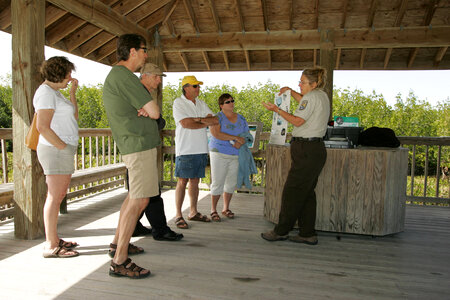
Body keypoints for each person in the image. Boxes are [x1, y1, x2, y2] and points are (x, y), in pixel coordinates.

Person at [103, 34, 160, 279]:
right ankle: (120, 261)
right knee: (139, 200)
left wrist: (145, 110)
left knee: (134, 198)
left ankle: (118, 244)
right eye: (144, 50)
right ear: (133, 51)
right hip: (137, 145)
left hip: (137, 144)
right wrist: (147, 111)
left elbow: (147, 111)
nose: (146, 55)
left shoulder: (119, 77)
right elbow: (155, 112)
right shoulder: (123, 76)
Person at [261, 68, 330, 245]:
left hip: (306, 149)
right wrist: (291, 92)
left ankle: (281, 231)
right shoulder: (320, 95)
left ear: (313, 84)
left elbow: (298, 121)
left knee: (292, 192)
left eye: (302, 82)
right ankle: (307, 233)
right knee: (306, 193)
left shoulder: (311, 97)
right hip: (315, 149)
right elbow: (304, 103)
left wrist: (276, 109)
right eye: (299, 82)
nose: (299, 85)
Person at [131, 63, 183, 241]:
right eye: (156, 76)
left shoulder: (143, 93)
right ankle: (160, 229)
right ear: (144, 76)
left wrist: (157, 119)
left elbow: (158, 120)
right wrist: (157, 119)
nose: (159, 80)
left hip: (141, 146)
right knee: (150, 192)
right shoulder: (137, 92)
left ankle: (135, 226)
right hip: (139, 147)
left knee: (141, 191)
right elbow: (156, 120)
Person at [34, 56, 80, 258]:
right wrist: (62, 147)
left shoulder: (55, 93)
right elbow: (42, 127)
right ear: (58, 72)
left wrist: (72, 94)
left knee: (58, 196)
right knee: (54, 197)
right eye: (68, 73)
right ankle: (51, 245)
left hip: (61, 148)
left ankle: (54, 238)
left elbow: (74, 116)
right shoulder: (45, 93)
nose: (70, 77)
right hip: (55, 150)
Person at [172, 75, 218, 229]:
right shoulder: (179, 103)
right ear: (186, 88)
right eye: (195, 86)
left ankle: (193, 212)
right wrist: (202, 121)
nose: (198, 88)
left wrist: (197, 120)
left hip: (201, 149)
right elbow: (185, 124)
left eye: (198, 86)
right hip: (185, 149)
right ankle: (178, 215)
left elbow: (215, 120)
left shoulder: (201, 103)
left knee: (195, 181)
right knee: (182, 181)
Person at [208, 93, 248, 221]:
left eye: (232, 101)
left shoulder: (241, 118)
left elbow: (247, 135)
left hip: (236, 154)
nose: (231, 103)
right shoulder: (216, 118)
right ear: (221, 105)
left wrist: (241, 141)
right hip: (218, 153)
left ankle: (226, 208)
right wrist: (235, 138)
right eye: (227, 102)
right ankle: (213, 210)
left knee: (231, 183)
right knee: (217, 182)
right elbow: (216, 134)